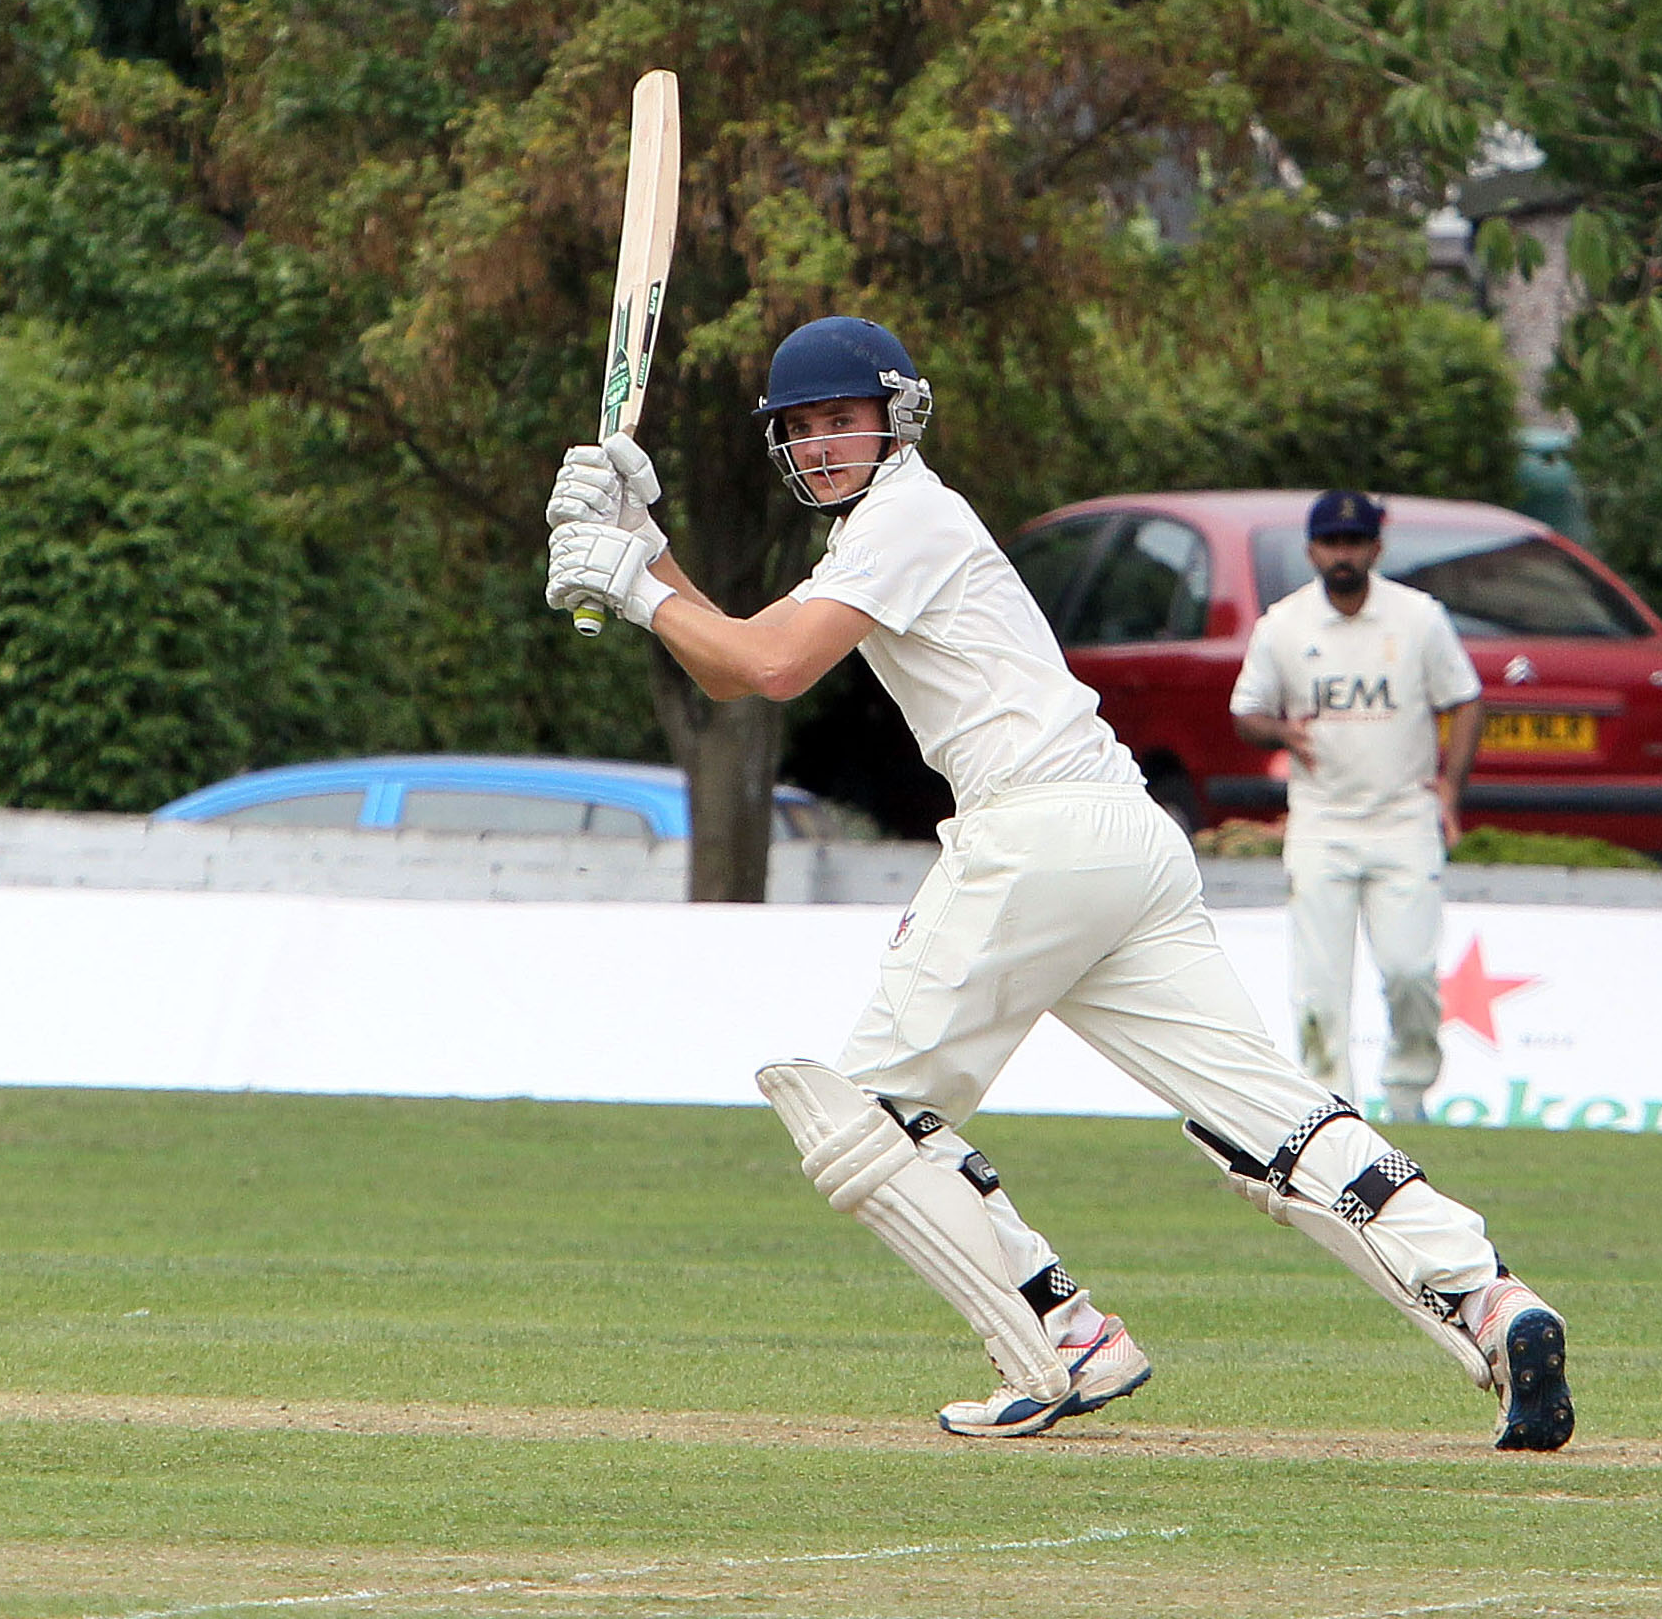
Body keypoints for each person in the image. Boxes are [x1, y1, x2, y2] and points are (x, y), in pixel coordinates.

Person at [541, 313, 1573, 1449]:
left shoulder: (905, 517)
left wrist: (634, 586)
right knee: (1268, 1120)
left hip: (1032, 833)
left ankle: (1060, 1337)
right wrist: (648, 549)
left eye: (843, 419)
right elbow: (736, 659)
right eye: (803, 426)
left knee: (865, 1120)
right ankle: (1490, 1300)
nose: (823, 443)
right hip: (1123, 838)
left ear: (898, 420)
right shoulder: (891, 530)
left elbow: (771, 668)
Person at [1233, 490, 1480, 1123]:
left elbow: (1464, 700)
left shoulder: (1418, 618)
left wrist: (1450, 789)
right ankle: (1330, 1110)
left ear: (1377, 548)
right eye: (1331, 543)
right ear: (1312, 550)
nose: (1342, 554)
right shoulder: (1283, 625)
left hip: (1404, 819)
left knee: (1410, 972)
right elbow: (1246, 712)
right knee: (1319, 988)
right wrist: (1283, 732)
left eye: (1355, 542)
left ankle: (1408, 1094)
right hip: (1321, 823)